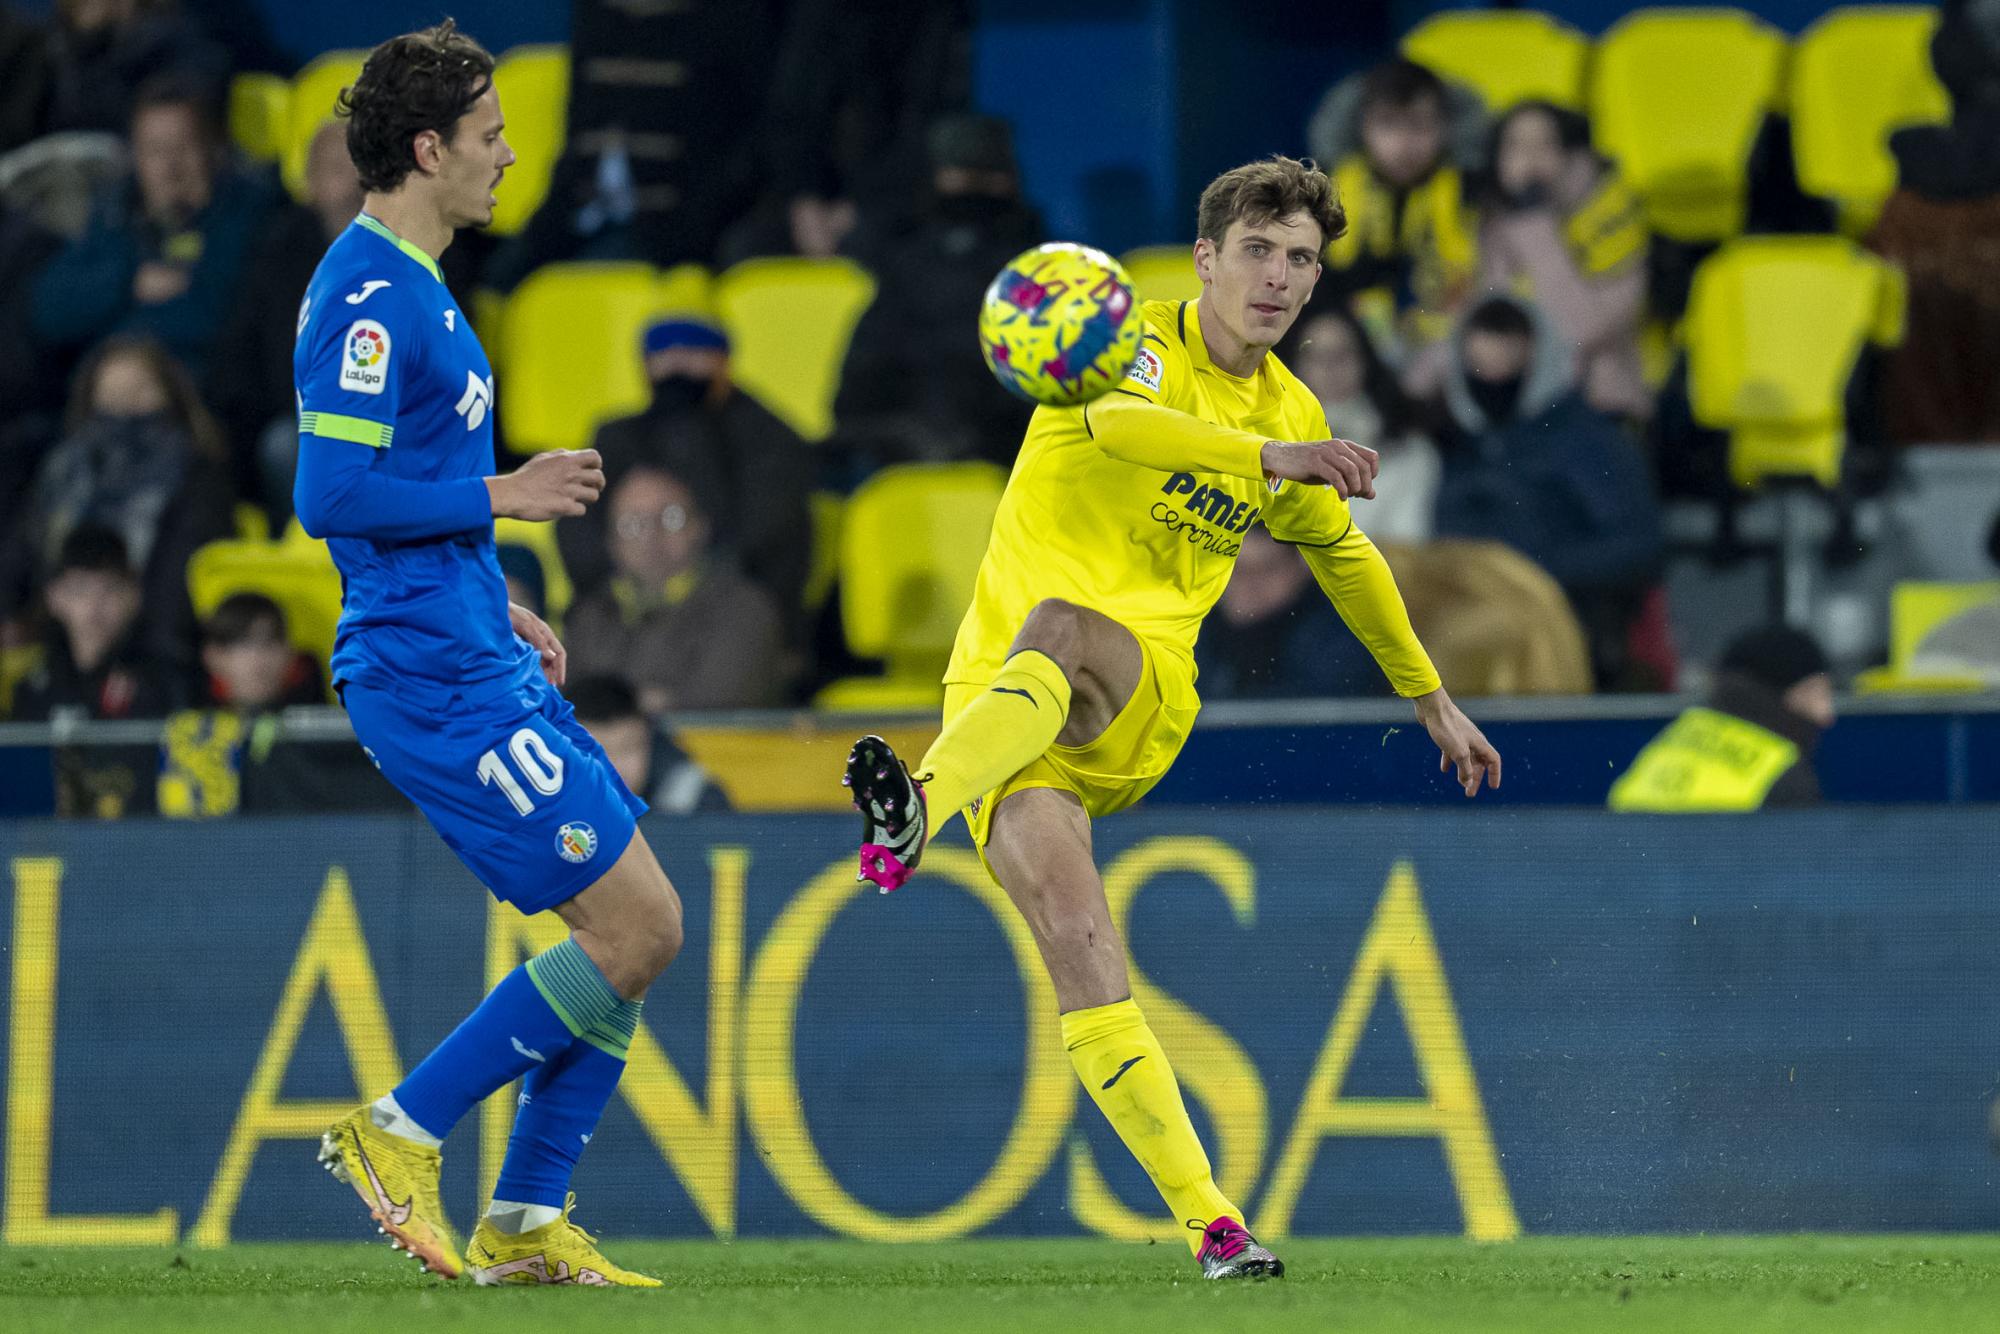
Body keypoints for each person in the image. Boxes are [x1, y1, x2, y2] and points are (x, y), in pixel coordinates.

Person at [842, 156, 1500, 1280]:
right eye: (1259, 250)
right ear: (1204, 259)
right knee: (1081, 951)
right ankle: (1213, 1223)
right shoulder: (1126, 344)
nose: (1280, 278)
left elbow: (1342, 557)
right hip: (995, 717)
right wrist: (1267, 458)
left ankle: (910, 816)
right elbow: (1117, 429)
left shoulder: (1290, 407)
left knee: (1056, 620)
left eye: (1302, 260)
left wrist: (1429, 696)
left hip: (1133, 689)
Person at [292, 22, 675, 1288]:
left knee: (631, 929)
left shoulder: (426, 285)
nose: (510, 155)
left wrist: (487, 586)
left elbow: (408, 489)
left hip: (466, 642)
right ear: (425, 149)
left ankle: (522, 1225)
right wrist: (502, 497)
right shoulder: (365, 297)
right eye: (490, 135)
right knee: (634, 928)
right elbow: (331, 496)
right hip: (424, 675)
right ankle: (398, 1130)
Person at [1430, 295, 1663, 687]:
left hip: (1567, 638)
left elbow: (1638, 546)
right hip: (1464, 636)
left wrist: (1535, 569)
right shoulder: (1455, 441)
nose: (1493, 380)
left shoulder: (1588, 441)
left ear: (1538, 358)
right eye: (1479, 366)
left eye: (1509, 361)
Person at [559, 314, 813, 639]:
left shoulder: (770, 439)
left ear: (724, 363)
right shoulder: (617, 437)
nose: (677, 368)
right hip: (628, 613)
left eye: (694, 355)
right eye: (664, 356)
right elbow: (578, 527)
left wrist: (691, 430)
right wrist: (628, 588)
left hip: (738, 619)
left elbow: (756, 541)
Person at [1411, 101, 1650, 422]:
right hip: (1497, 403)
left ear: (1570, 155)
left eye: (1545, 144)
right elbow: (1456, 316)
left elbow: (1582, 329)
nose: (1530, 158)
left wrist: (1535, 225)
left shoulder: (1610, 218)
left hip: (1594, 404)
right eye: (1516, 146)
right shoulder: (1480, 223)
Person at [832, 113, 1044, 472]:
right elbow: (859, 384)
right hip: (907, 441)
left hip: (1005, 446)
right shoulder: (903, 259)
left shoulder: (1041, 268)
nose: (972, 191)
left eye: (987, 177)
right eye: (960, 176)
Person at [12, 333, 236, 668]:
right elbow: (25, 546)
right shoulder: (64, 466)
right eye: (113, 393)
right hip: (56, 634)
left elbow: (181, 575)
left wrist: (151, 648)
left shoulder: (197, 472)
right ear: (91, 396)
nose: (125, 405)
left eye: (139, 390)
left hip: (153, 645)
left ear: (171, 394)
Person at [29, 72, 270, 379]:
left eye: (183, 147)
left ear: (215, 150)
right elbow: (47, 312)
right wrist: (129, 284)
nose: (170, 168)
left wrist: (113, 319)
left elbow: (220, 318)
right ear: (136, 159)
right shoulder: (113, 217)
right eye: (155, 151)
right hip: (106, 402)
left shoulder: (251, 217)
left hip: (209, 396)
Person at [208, 119, 365, 519]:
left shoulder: (431, 245)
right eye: (335, 167)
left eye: (365, 163)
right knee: (283, 445)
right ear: (310, 183)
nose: (352, 179)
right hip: (310, 426)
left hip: (404, 427)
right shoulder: (278, 256)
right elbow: (250, 362)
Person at [563, 462, 790, 711]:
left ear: (701, 526)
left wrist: (610, 705)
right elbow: (563, 706)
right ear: (612, 543)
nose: (651, 536)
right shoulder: (589, 616)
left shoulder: (745, 609)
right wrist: (649, 700)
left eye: (671, 518)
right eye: (632, 524)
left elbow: (717, 710)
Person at [1306, 58, 1480, 373]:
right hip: (1355, 354)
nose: (1404, 143)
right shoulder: (1325, 194)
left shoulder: (1473, 194)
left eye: (1419, 126)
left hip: (1445, 350)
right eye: (1388, 124)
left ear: (1447, 128)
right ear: (1362, 129)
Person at [1610, 625, 1835, 811]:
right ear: (1777, 694)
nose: (1828, 715)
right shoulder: (1784, 777)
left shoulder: (1676, 734)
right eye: (1816, 693)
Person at [1279, 299, 1438, 544]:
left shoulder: (1409, 452)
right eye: (1314, 354)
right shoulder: (1268, 443)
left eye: (1342, 353)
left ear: (1365, 360)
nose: (1330, 367)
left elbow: (1407, 546)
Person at [1195, 526, 1388, 699]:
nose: (1249, 584)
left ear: (1305, 565)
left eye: (1267, 569)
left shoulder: (1345, 636)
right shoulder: (1192, 629)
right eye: (1235, 569)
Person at [567, 674, 730, 815]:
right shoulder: (543, 803)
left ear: (648, 742)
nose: (615, 767)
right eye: (595, 753)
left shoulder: (693, 798)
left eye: (628, 748)